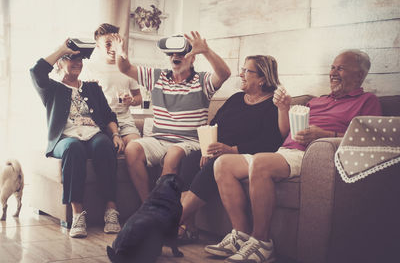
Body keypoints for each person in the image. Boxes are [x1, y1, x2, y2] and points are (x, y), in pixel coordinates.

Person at [206, 49, 383, 263]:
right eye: (332, 67)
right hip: (286, 151)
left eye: (341, 68)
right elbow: (285, 133)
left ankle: (262, 243)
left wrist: (325, 135)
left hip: (313, 154)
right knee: (223, 164)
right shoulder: (316, 102)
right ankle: (241, 236)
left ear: (359, 75)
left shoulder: (367, 101)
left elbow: (369, 137)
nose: (333, 72)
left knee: (261, 163)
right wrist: (283, 108)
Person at [177, 55, 291, 243]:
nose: (241, 74)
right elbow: (213, 125)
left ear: (262, 78)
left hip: (242, 155)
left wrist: (231, 150)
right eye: (242, 69)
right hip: (218, 150)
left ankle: (174, 221)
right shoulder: (236, 99)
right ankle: (188, 226)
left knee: (212, 166)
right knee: (190, 159)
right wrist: (207, 149)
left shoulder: (273, 105)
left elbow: (270, 142)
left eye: (247, 71)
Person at [112, 31, 231, 202]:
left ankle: (160, 208)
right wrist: (120, 53)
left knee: (173, 154)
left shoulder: (202, 81)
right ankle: (149, 206)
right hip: (159, 140)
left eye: (181, 53)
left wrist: (206, 51)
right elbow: (124, 68)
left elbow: (224, 74)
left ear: (192, 58)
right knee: (132, 149)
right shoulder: (157, 77)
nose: (176, 56)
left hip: (189, 142)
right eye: (172, 53)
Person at [30, 39, 124, 238]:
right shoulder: (51, 89)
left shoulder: (92, 88)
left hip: (93, 134)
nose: (77, 62)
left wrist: (115, 134)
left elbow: (108, 116)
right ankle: (77, 214)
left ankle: (111, 211)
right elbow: (35, 71)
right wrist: (61, 49)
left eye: (80, 58)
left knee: (104, 145)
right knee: (73, 148)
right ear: (59, 63)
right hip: (65, 139)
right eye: (70, 58)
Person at [82, 23, 142, 145]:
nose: (113, 48)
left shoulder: (128, 67)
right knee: (106, 146)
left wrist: (131, 101)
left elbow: (139, 98)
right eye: (108, 44)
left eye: (115, 43)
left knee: (137, 146)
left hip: (125, 121)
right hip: (102, 121)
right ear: (98, 46)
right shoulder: (90, 68)